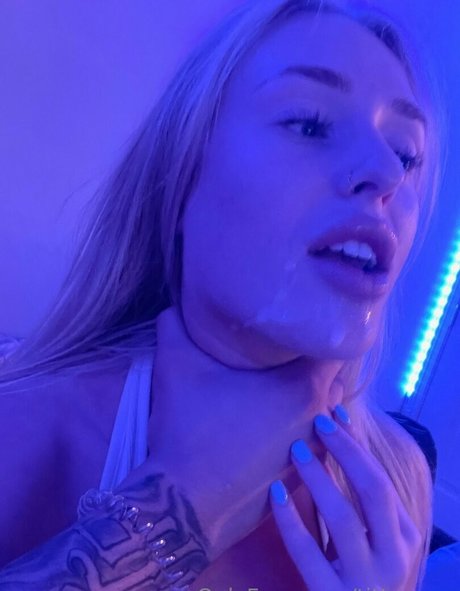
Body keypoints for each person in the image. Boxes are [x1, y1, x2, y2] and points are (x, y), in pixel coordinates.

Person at [0, 0, 448, 589]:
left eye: (406, 154)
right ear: (183, 175)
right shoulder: (27, 420)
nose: (387, 174)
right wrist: (186, 499)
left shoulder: (398, 477)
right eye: (309, 122)